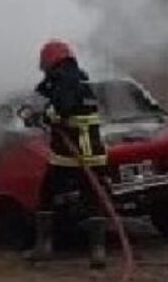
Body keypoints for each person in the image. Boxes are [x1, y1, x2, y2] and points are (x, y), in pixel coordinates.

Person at [28, 39, 109, 267]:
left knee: (46, 194)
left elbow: (63, 107)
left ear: (50, 60)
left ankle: (43, 248)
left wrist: (44, 116)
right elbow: (48, 91)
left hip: (70, 152)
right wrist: (38, 98)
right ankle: (98, 252)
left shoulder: (65, 78)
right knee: (93, 198)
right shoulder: (80, 76)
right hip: (94, 150)